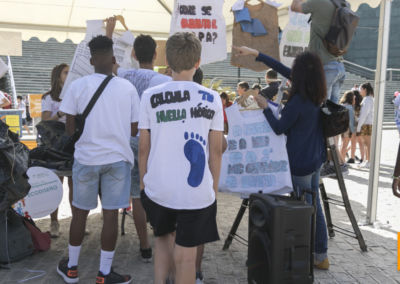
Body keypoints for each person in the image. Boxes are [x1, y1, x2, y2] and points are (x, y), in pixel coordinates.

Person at [233, 45, 329, 270]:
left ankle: (304, 255)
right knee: (315, 205)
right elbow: (280, 68)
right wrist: (256, 53)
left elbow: (279, 128)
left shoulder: (298, 101)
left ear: (301, 74)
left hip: (301, 163)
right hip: (315, 158)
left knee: (304, 212)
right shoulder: (316, 92)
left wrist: (265, 106)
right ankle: (321, 254)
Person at [139, 32, 223, 284]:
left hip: (158, 186)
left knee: (162, 241)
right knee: (186, 258)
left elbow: (144, 147)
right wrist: (214, 188)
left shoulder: (149, 96)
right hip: (196, 193)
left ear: (167, 62)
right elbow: (216, 150)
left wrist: (144, 183)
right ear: (198, 62)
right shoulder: (213, 98)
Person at [57, 35, 140, 284]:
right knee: (111, 214)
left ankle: (71, 268)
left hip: (86, 158)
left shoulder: (78, 86)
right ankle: (104, 273)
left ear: (91, 60)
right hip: (117, 160)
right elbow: (135, 129)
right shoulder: (127, 88)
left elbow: (69, 129)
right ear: (114, 60)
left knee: (80, 213)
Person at [105, 16, 171, 263]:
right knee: (161, 193)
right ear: (156, 55)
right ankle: (163, 238)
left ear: (133, 53)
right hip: (156, 143)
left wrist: (111, 32)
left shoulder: (123, 75)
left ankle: (145, 245)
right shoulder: (166, 81)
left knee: (137, 195)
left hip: (130, 140)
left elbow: (109, 62)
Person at [41, 63, 72, 237]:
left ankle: (77, 221)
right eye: (65, 72)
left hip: (71, 142)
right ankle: (54, 221)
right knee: (56, 184)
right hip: (55, 144)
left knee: (73, 183)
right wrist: (60, 114)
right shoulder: (48, 98)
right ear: (57, 76)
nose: (68, 75)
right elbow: (45, 120)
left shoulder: (74, 94)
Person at [357, 82, 374, 168]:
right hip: (366, 123)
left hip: (366, 123)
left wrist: (359, 126)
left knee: (367, 143)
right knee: (365, 143)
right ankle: (367, 160)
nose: (360, 91)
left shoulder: (367, 99)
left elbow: (364, 114)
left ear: (365, 89)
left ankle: (369, 161)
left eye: (361, 89)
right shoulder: (368, 99)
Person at [339, 91, 355, 162]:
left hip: (340, 128)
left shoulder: (341, 105)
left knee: (341, 145)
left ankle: (341, 160)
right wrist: (353, 131)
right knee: (344, 146)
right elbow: (351, 121)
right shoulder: (350, 108)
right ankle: (342, 161)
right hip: (347, 128)